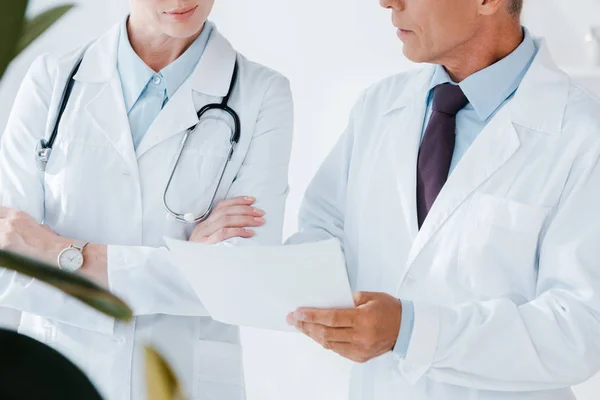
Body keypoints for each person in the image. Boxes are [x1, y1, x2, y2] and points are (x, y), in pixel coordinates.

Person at [286, 0, 600, 399]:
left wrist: (412, 331)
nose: (387, 2)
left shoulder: (584, 137)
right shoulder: (378, 107)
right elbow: (323, 226)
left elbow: (580, 331)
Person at [0, 0, 293, 399]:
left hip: (184, 380)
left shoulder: (262, 93)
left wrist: (58, 251)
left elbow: (242, 278)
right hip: (59, 373)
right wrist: (186, 264)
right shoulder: (52, 80)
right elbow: (8, 263)